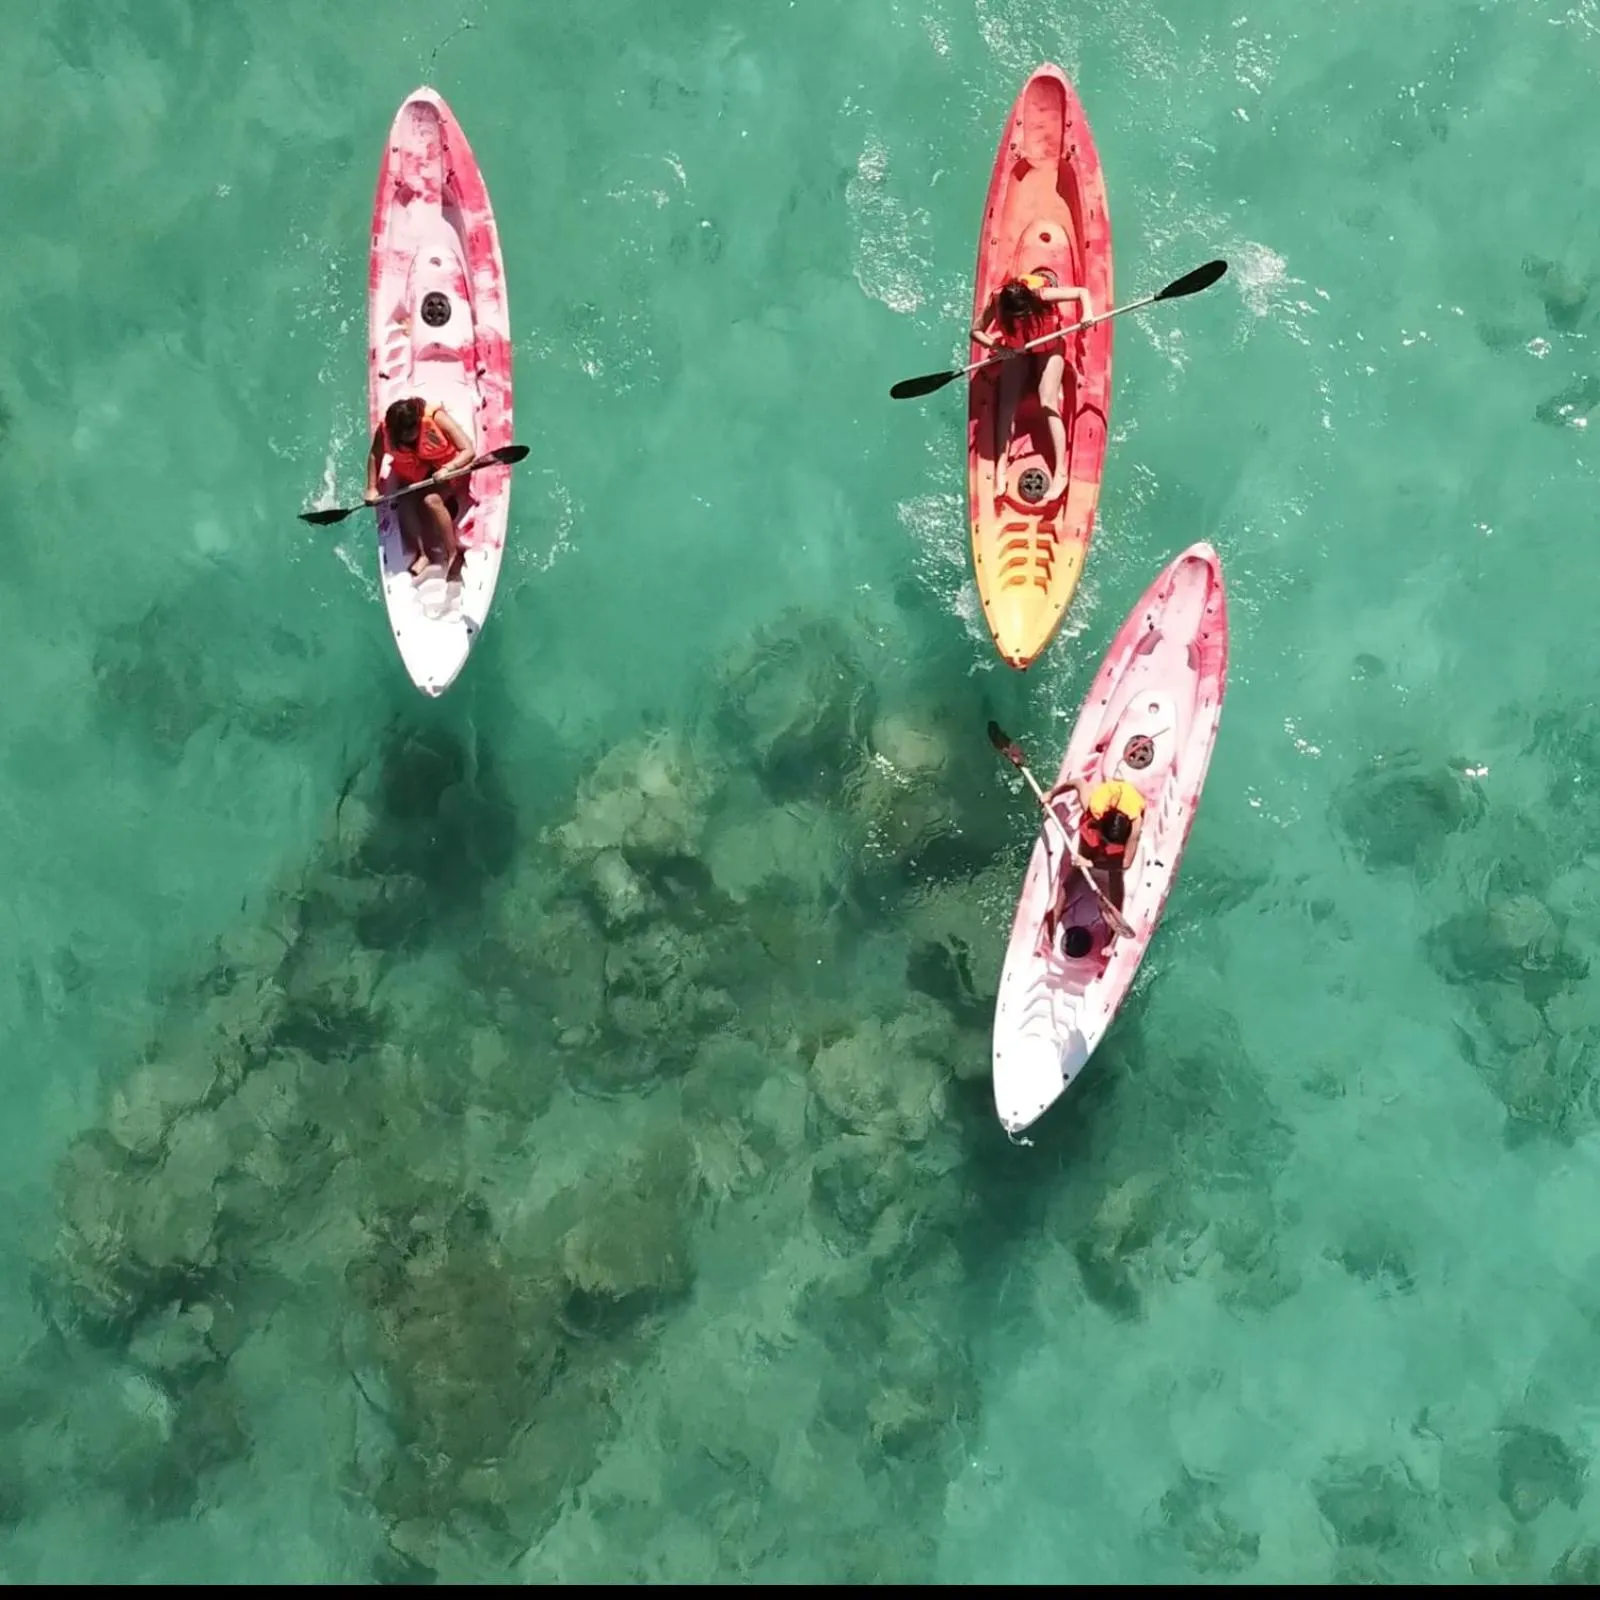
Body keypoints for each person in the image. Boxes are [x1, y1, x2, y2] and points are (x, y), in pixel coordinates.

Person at [971, 271, 1095, 505]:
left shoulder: (1042, 295)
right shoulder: (997, 301)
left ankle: (1060, 474)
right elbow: (976, 332)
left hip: (1049, 347)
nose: (1021, 319)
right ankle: (1000, 468)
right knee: (1007, 404)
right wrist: (997, 346)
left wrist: (1087, 313)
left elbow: (1082, 292)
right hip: (1016, 351)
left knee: (1047, 401)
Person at [365, 397, 477, 579]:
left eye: (411, 431)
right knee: (405, 502)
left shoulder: (436, 418)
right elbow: (375, 455)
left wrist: (448, 468)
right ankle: (423, 554)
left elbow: (468, 450)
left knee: (431, 500)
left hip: (447, 473)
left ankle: (453, 553)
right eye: (402, 433)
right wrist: (371, 487)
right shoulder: (385, 430)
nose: (407, 436)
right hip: (416, 475)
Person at [1042, 776, 1145, 948]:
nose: (1104, 846)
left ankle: (1113, 929)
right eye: (1104, 840)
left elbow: (1126, 863)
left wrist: (1092, 864)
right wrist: (1051, 794)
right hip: (1099, 823)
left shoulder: (1135, 825)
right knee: (1078, 867)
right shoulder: (1094, 804)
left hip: (1124, 816)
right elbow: (1078, 783)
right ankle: (1054, 915)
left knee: (1115, 873)